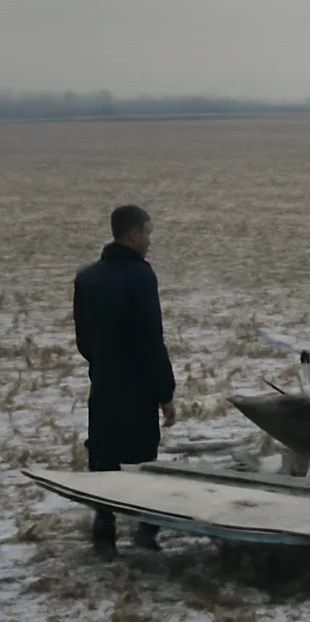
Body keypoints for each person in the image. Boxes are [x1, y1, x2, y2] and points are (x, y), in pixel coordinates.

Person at [73, 205, 177, 559]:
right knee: (141, 459)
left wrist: (104, 364)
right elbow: (150, 338)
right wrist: (165, 392)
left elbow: (83, 340)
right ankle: (146, 529)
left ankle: (104, 532)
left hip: (103, 384)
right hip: (137, 389)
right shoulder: (140, 277)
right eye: (147, 233)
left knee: (103, 455)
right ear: (133, 234)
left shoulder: (87, 278)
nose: (149, 241)